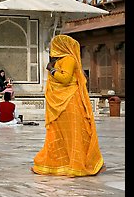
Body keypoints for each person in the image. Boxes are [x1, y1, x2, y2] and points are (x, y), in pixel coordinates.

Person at [32, 34, 105, 177]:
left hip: (70, 102)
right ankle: (58, 164)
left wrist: (51, 70)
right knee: (58, 134)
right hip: (60, 103)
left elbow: (65, 79)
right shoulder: (62, 60)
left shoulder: (69, 59)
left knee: (74, 133)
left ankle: (80, 163)